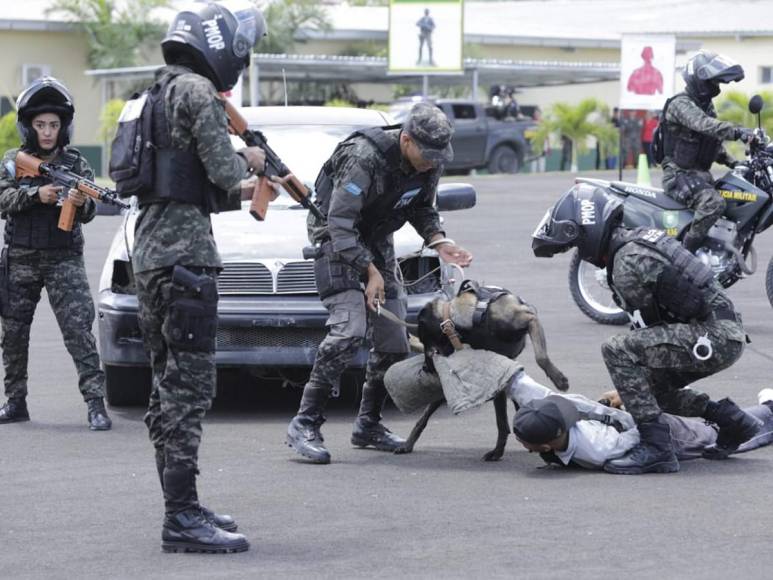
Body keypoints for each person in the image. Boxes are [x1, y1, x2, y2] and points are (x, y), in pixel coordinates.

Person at [127, 0, 267, 553]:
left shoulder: (155, 94)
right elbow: (224, 170)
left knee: (166, 387)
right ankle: (180, 517)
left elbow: (182, 180)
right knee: (188, 390)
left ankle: (181, 505)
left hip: (152, 258)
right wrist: (251, 160)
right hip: (187, 261)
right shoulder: (198, 93)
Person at [286, 101, 473, 465]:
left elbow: (421, 208)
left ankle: (368, 425)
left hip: (375, 238)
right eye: (428, 154)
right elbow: (339, 224)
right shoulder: (364, 158)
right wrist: (368, 271)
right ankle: (304, 422)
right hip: (336, 238)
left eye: (439, 156)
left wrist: (440, 241)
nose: (434, 162)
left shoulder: (429, 161)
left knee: (392, 338)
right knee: (348, 330)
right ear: (406, 140)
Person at [532, 184, 760, 474]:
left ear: (589, 231)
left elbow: (648, 327)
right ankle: (733, 422)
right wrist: (632, 387)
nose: (580, 251)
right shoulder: (635, 241)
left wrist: (629, 380)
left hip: (715, 336)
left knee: (616, 349)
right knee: (644, 392)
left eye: (577, 243)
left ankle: (657, 449)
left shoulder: (627, 261)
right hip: (719, 332)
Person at [0, 77, 111, 431]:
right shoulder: (12, 161)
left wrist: (79, 204)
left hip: (63, 258)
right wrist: (37, 195)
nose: (47, 132)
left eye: (54, 125)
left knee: (79, 331)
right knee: (14, 334)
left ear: (63, 127)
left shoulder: (76, 164)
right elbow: (3, 199)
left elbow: (91, 212)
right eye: (40, 125)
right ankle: (15, 402)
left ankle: (95, 405)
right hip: (20, 257)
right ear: (28, 126)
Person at [513, 388, 773, 471]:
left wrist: (633, 407)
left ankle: (770, 409)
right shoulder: (573, 436)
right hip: (636, 423)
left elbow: (638, 432)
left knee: (720, 437)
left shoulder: (595, 448)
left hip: (658, 430)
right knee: (709, 432)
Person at [660, 50, 754, 252]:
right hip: (678, 175)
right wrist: (738, 132)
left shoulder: (706, 106)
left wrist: (735, 163)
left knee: (733, 197)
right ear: (698, 80)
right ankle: (685, 254)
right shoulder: (680, 104)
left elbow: (713, 143)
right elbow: (704, 125)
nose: (715, 87)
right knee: (714, 204)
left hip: (700, 175)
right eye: (712, 82)